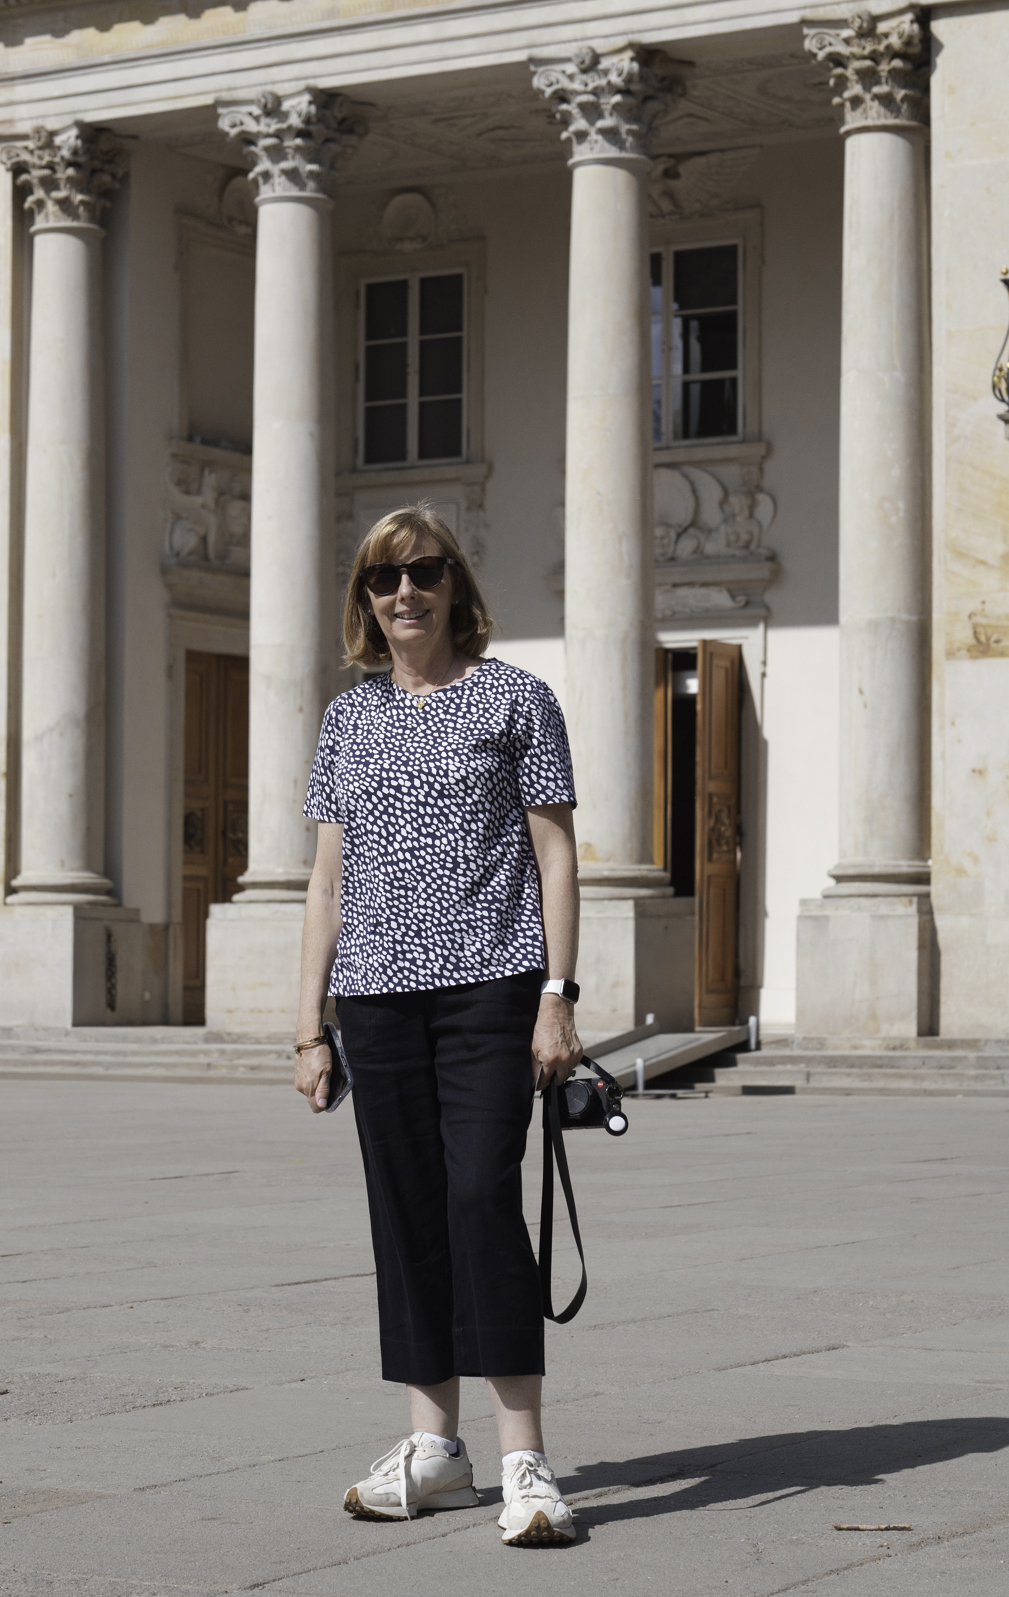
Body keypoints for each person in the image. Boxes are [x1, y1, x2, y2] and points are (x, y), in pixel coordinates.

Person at [293, 504, 585, 1548]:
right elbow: (326, 881)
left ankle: (525, 1459)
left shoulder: (517, 699)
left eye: (421, 571)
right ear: (364, 601)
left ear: (456, 583)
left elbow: (555, 852)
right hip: (373, 1000)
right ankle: (434, 1448)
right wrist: (307, 1028)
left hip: (491, 988)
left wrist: (559, 992)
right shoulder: (349, 718)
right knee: (406, 1210)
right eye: (382, 579)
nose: (403, 592)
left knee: (479, 1201)